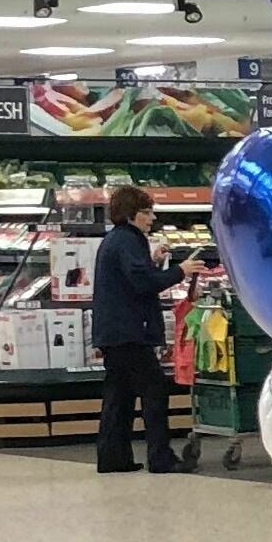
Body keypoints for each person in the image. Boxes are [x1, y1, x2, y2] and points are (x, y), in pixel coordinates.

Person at [94, 184, 186, 475]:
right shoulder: (128, 240)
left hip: (113, 332)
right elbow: (142, 284)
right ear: (131, 214)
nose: (151, 219)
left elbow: (131, 277)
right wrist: (181, 271)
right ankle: (161, 458)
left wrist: (153, 262)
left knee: (118, 397)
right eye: (146, 212)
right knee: (154, 390)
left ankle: (113, 458)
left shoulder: (116, 240)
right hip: (129, 332)